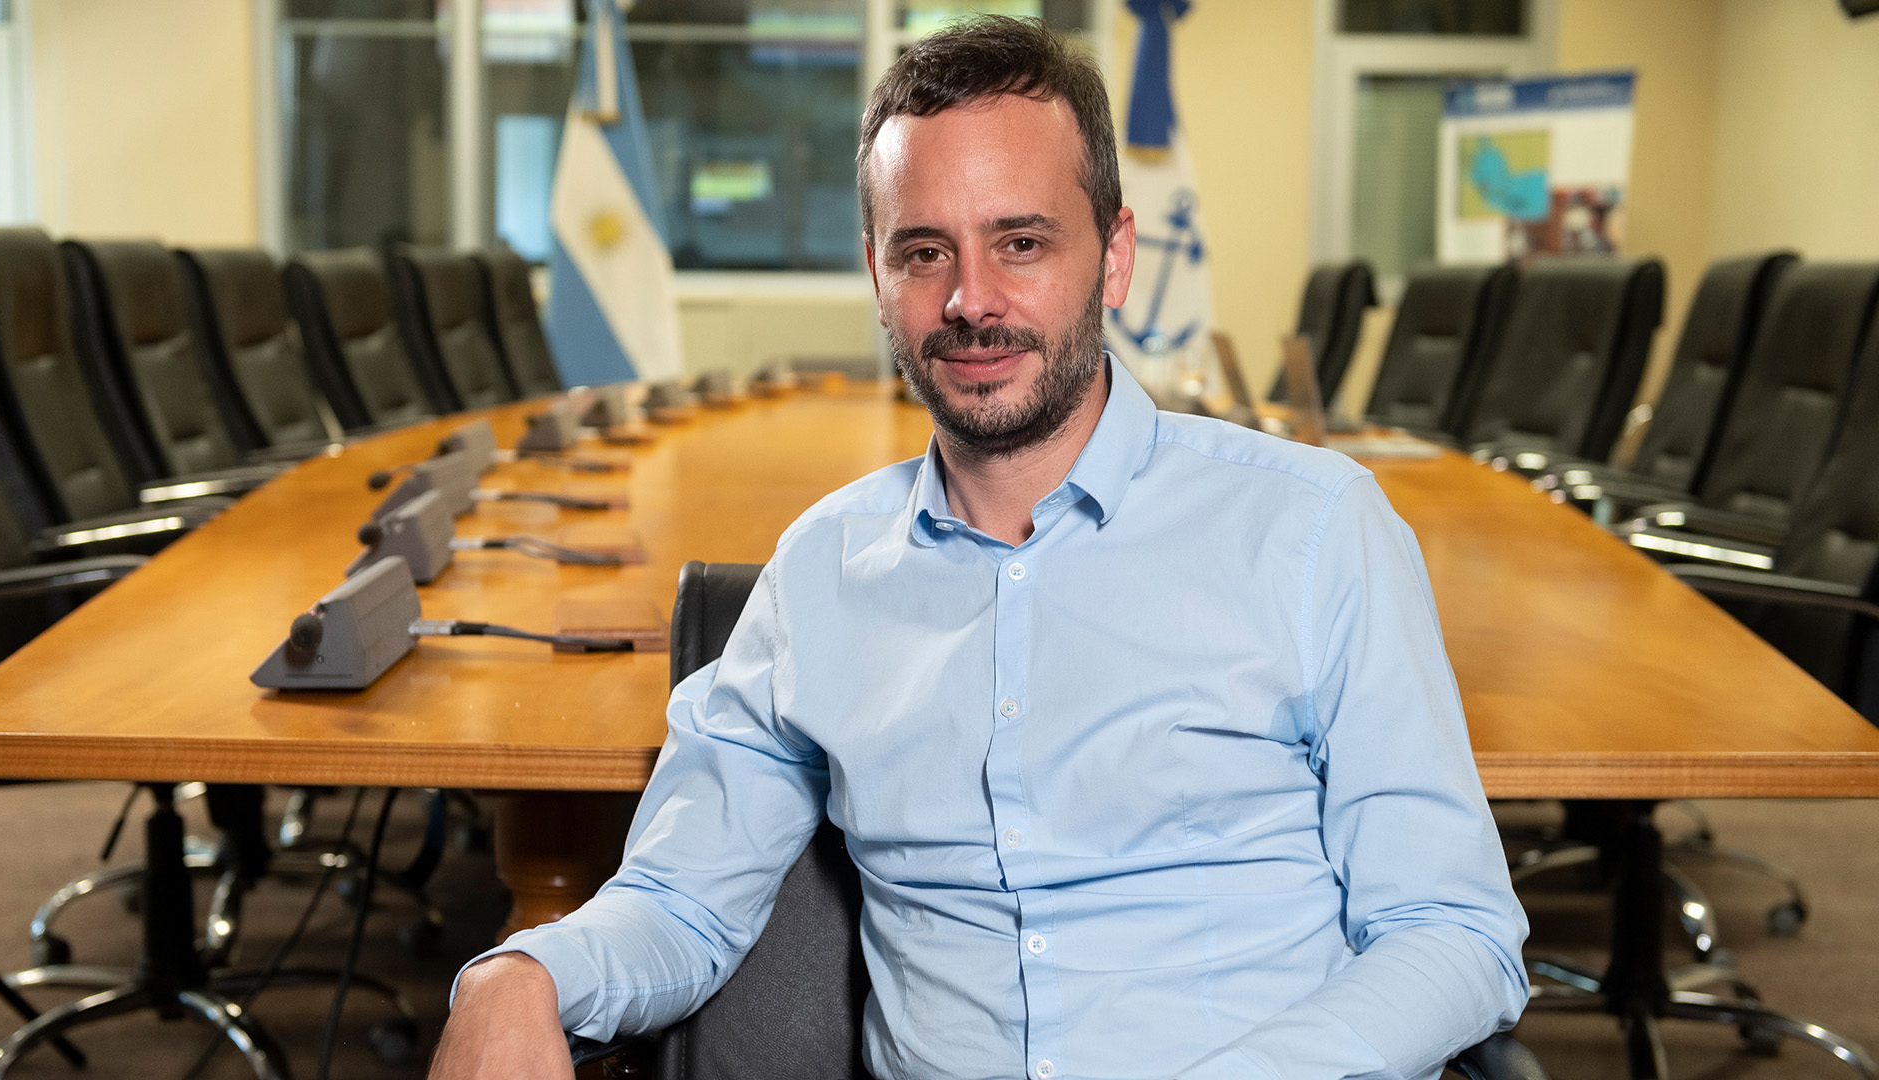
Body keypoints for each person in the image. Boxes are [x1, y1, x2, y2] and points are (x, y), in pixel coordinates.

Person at [432, 17, 1528, 1080]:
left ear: (1115, 257)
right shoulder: (820, 577)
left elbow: (1453, 930)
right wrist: (522, 973)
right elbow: (680, 901)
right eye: (925, 252)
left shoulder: (1315, 532)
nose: (971, 301)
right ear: (877, 275)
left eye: (1021, 242)